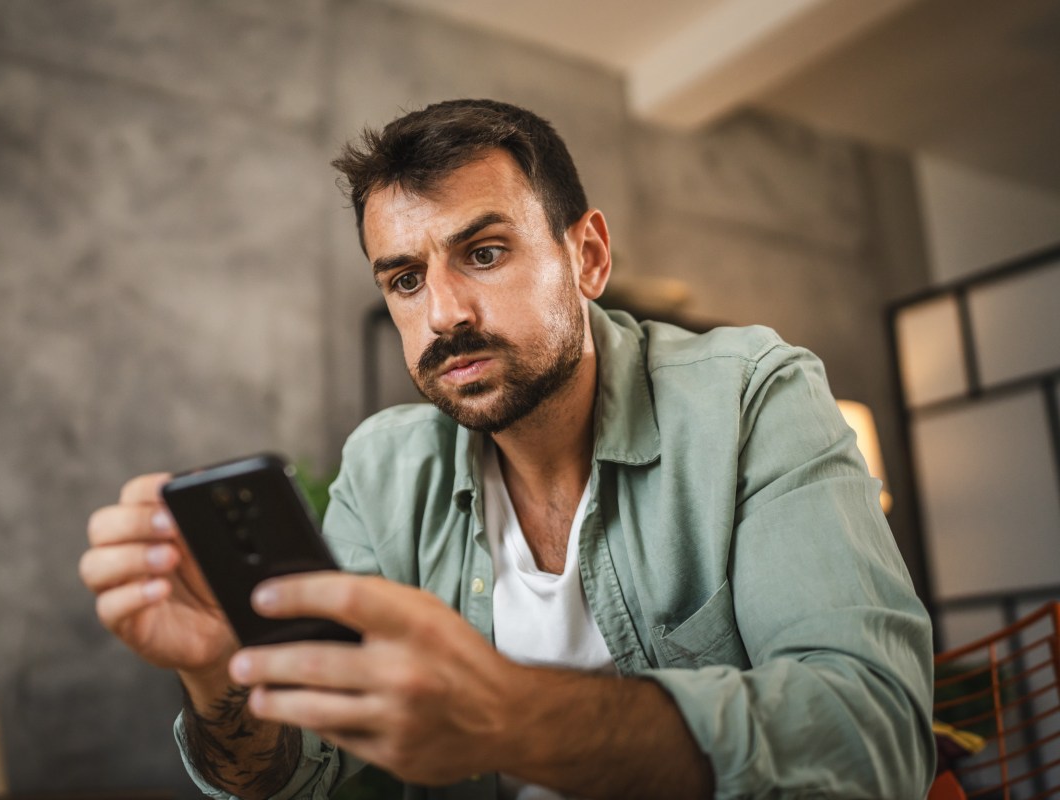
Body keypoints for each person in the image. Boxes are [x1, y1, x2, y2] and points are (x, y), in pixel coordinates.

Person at [79, 99, 935, 799]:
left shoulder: (752, 395)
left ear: (587, 255)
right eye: (405, 279)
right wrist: (221, 677)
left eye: (483, 253)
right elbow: (310, 777)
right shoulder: (383, 471)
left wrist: (509, 716)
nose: (443, 311)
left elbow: (873, 737)